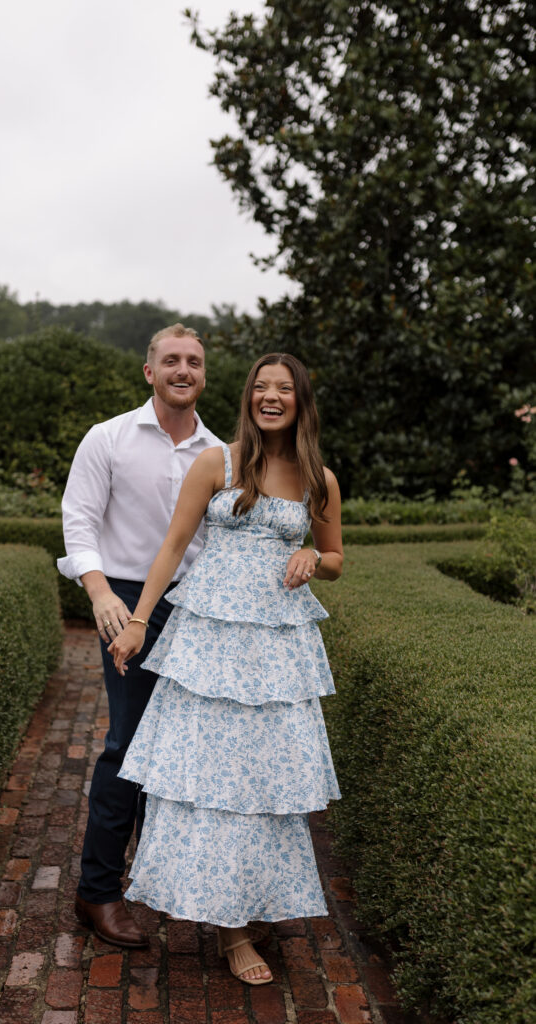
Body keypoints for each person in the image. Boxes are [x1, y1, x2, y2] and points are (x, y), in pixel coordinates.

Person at [109, 352, 343, 984]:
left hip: (276, 648)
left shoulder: (319, 476)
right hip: (210, 642)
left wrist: (312, 562)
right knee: (212, 778)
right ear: (248, 396)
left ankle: (252, 898)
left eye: (284, 389)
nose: (271, 397)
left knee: (264, 781)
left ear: (300, 401)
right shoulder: (220, 461)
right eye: (261, 387)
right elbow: (174, 545)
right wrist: (137, 620)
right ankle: (232, 931)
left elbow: (337, 554)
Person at [57, 324, 220, 947]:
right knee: (129, 746)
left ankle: (160, 883)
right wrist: (100, 593)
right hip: (125, 600)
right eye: (171, 360)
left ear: (204, 376)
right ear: (149, 371)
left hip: (195, 607)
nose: (184, 369)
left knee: (179, 753)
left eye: (195, 362)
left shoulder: (221, 452)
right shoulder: (109, 438)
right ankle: (96, 893)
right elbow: (80, 521)